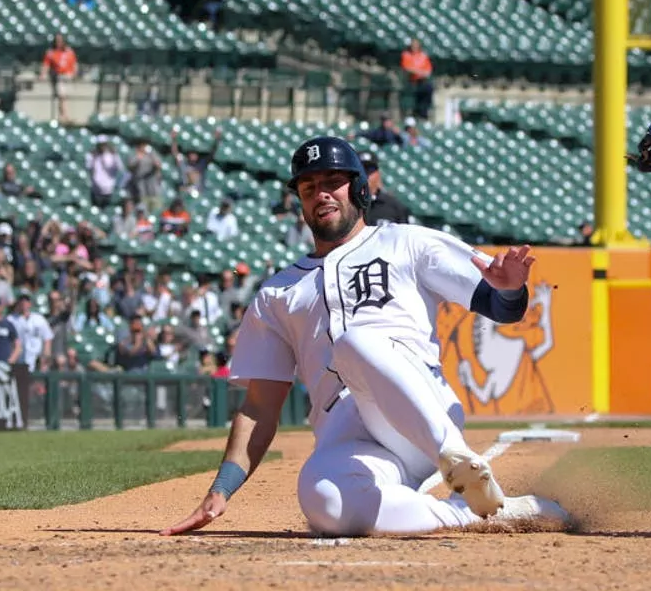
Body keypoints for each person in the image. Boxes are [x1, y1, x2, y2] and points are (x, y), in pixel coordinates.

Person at [161, 137, 568, 538]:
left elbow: (500, 306)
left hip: (419, 417)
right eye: (308, 188)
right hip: (350, 437)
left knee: (356, 341)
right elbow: (259, 407)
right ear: (299, 203)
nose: (321, 194)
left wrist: (512, 289)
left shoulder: (407, 242)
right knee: (323, 501)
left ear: (358, 187)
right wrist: (221, 490)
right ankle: (474, 513)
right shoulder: (276, 294)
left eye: (332, 182)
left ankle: (453, 455)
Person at [358, 151, 410, 224]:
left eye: (369, 170)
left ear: (378, 173)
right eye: (361, 170)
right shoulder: (348, 204)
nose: (365, 175)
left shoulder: (395, 206)